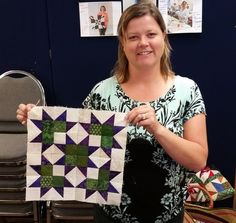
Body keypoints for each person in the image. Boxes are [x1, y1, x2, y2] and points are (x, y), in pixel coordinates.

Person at [16, 2, 208, 223]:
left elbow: (197, 160)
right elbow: (75, 147)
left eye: (151, 34)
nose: (143, 43)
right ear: (123, 43)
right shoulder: (102, 93)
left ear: (164, 38)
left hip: (168, 216)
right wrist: (40, 123)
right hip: (111, 216)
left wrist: (157, 129)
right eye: (133, 37)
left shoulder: (187, 90)